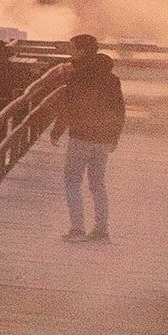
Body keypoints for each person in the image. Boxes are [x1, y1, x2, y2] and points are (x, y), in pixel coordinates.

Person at [52, 34, 127, 241]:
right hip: (103, 139)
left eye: (72, 48)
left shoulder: (78, 75)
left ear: (83, 51)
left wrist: (57, 131)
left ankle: (77, 230)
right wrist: (114, 138)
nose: (70, 52)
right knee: (97, 184)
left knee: (72, 181)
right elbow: (119, 110)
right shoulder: (112, 79)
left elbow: (69, 106)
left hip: (81, 136)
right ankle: (102, 230)